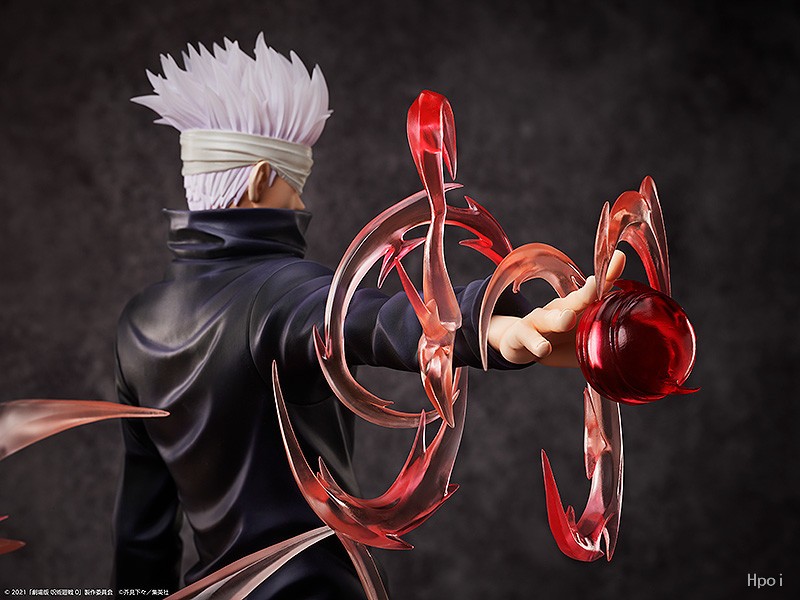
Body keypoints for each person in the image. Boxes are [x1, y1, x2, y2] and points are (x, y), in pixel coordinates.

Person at [112, 35, 624, 598]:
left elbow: (141, 538)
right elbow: (367, 316)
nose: (302, 206)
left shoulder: (139, 324)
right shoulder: (280, 292)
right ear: (260, 180)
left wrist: (491, 324)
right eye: (294, 186)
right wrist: (492, 326)